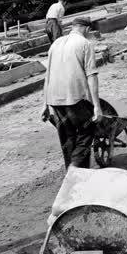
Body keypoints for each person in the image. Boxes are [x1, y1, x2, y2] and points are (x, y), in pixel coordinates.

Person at [41, 16, 102, 168]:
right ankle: (76, 165)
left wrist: (44, 104)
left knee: (67, 137)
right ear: (87, 28)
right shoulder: (85, 43)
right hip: (74, 97)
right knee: (88, 129)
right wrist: (96, 106)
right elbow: (91, 76)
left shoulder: (56, 43)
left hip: (53, 98)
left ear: (73, 27)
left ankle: (72, 172)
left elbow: (47, 75)